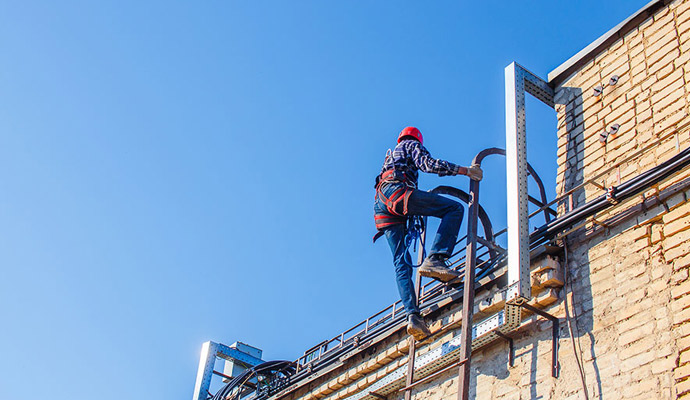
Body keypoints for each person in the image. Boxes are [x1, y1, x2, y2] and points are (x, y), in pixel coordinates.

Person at [374, 126, 482, 340]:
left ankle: (413, 317)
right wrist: (466, 171)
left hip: (382, 205)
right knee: (454, 209)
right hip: (397, 193)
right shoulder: (410, 145)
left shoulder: (391, 156)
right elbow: (428, 164)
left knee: (400, 263)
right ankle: (436, 259)